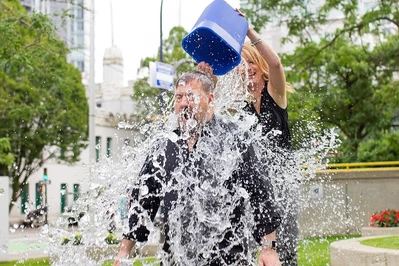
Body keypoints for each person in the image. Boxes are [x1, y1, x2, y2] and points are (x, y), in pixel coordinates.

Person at [113, 71, 281, 266]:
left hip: (226, 258)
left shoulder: (234, 138)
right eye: (178, 97)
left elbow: (261, 194)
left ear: (210, 99)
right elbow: (143, 202)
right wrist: (124, 251)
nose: (184, 103)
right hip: (175, 259)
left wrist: (268, 248)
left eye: (191, 96)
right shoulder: (164, 147)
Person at [197, 9, 299, 265]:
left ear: (259, 66)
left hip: (282, 188)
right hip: (256, 190)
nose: (247, 69)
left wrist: (248, 30)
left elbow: (275, 64)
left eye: (251, 62)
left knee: (284, 254)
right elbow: (211, 113)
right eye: (242, 65)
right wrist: (208, 79)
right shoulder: (240, 111)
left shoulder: (275, 97)